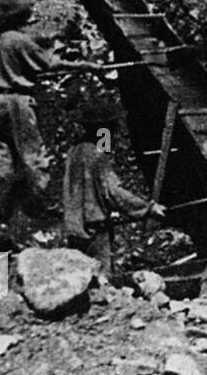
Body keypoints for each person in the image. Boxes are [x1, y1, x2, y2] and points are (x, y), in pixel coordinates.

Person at [0, 0, 107, 237]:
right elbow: (50, 65)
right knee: (33, 155)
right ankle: (38, 207)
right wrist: (86, 65)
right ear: (22, 16)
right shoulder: (18, 40)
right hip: (17, 101)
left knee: (3, 156)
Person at [63, 96, 164, 279]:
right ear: (104, 127)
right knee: (102, 280)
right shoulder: (97, 155)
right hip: (94, 230)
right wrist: (148, 208)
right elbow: (113, 192)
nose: (117, 130)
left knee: (80, 279)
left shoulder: (74, 151)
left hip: (75, 228)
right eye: (113, 126)